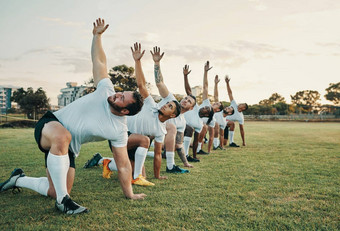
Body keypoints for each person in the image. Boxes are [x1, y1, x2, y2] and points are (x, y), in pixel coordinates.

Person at [0, 18, 146, 215]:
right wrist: (97, 37)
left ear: (125, 111)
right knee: (63, 137)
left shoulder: (119, 130)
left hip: (68, 149)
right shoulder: (105, 89)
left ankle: (18, 179)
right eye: (120, 93)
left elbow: (123, 164)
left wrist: (129, 193)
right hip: (51, 124)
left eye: (121, 98)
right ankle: (64, 203)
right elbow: (100, 61)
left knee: (55, 189)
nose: (116, 95)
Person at [87, 43, 182, 181]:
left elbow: (157, 155)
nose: (166, 105)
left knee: (133, 168)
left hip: (133, 145)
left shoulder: (161, 131)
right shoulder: (151, 105)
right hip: (121, 133)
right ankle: (137, 178)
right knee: (145, 140)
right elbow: (141, 85)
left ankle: (105, 162)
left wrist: (157, 176)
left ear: (172, 115)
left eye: (170, 107)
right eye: (167, 103)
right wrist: (137, 61)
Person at [151, 49, 197, 173]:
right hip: (145, 125)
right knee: (171, 127)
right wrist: (157, 64)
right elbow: (160, 83)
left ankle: (170, 165)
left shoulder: (182, 122)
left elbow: (179, 145)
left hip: (156, 139)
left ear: (191, 108)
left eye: (189, 101)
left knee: (172, 128)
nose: (185, 101)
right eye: (185, 98)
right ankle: (170, 165)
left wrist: (185, 162)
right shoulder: (171, 100)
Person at [182, 65, 215, 162]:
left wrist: (195, 155)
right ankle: (185, 154)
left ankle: (186, 155)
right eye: (205, 106)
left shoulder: (199, 124)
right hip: (173, 123)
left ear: (206, 115)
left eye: (206, 109)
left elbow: (196, 141)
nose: (204, 107)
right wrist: (185, 76)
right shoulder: (195, 106)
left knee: (189, 129)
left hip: (180, 133)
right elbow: (188, 91)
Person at [196, 61, 223, 154]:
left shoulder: (212, 120)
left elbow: (211, 136)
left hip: (196, 129)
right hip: (188, 121)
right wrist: (206, 72)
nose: (214, 103)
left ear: (218, 109)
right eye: (215, 103)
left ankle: (198, 149)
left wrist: (209, 150)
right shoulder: (206, 102)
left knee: (204, 128)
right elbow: (205, 87)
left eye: (216, 104)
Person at [224, 75, 248, 147]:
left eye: (242, 104)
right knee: (232, 123)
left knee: (224, 143)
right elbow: (230, 93)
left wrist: (243, 142)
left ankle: (231, 142)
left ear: (243, 108)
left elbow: (242, 130)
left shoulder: (240, 117)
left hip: (226, 124)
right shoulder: (234, 104)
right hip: (220, 120)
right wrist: (227, 83)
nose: (240, 104)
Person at [212, 75, 234, 150]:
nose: (227, 108)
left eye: (229, 109)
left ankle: (219, 145)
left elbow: (221, 134)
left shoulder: (224, 122)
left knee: (222, 136)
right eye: (227, 107)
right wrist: (216, 84)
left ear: (229, 113)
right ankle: (215, 145)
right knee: (216, 125)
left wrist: (222, 146)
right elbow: (216, 96)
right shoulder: (219, 110)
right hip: (208, 123)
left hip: (215, 128)